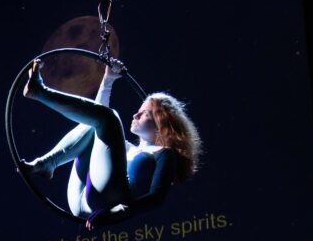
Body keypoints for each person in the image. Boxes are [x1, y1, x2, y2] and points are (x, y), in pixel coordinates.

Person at [22, 59, 201, 228]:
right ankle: (46, 164)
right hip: (79, 197)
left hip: (111, 202)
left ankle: (40, 92)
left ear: (160, 123)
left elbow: (156, 197)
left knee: (110, 118)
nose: (135, 115)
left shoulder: (163, 153)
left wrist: (117, 212)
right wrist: (107, 81)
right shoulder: (124, 148)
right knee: (93, 126)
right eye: (138, 111)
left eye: (144, 113)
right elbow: (94, 116)